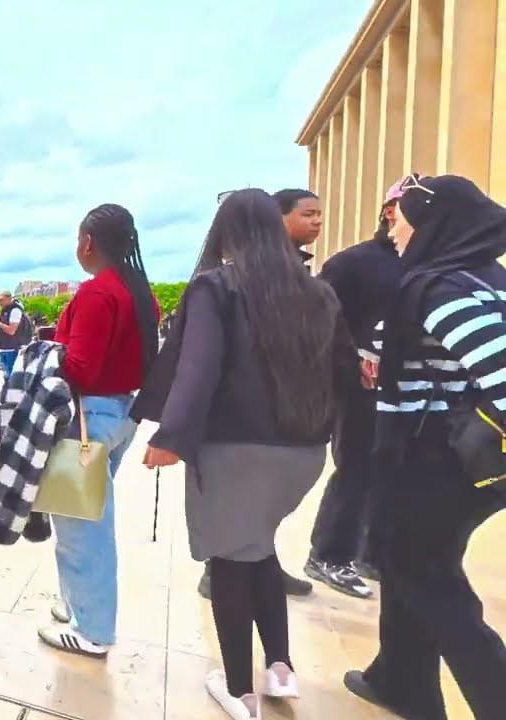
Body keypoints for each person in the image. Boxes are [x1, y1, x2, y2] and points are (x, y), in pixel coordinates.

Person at [138, 189, 356, 719]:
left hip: (236, 452)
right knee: (257, 548)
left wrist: (171, 435)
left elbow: (200, 366)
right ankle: (280, 667)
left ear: (228, 231)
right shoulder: (316, 292)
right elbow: (347, 372)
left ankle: (239, 690)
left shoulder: (218, 286)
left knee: (229, 563)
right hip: (303, 452)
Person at [345, 174, 506, 720]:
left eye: (403, 215)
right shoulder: (480, 278)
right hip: (439, 459)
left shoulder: (445, 288)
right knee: (403, 561)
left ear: (434, 224)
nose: (392, 225)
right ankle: (400, 679)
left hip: (436, 460)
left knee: (427, 578)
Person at [37, 204, 159, 659]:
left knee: (81, 530)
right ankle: (77, 607)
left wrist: (48, 351)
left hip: (85, 419)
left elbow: (80, 370)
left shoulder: (96, 293)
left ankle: (92, 630)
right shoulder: (138, 291)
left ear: (88, 242)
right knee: (81, 520)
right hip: (119, 415)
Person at [193, 189, 321, 601]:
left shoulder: (301, 278)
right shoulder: (233, 282)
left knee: (257, 512)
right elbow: (202, 362)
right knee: (237, 516)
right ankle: (232, 568)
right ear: (277, 220)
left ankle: (257, 561)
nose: (317, 222)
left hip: (287, 420)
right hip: (247, 422)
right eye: (308, 214)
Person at [303, 178, 407, 598]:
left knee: (394, 471)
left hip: (408, 390)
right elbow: (318, 318)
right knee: (356, 468)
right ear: (390, 213)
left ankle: (371, 552)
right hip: (359, 388)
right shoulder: (354, 263)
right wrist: (351, 358)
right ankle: (329, 554)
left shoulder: (422, 263)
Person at [273, 188, 323, 266]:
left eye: (318, 215)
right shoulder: (261, 261)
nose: (318, 221)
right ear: (279, 217)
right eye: (308, 214)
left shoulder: (294, 259)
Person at [0, 290, 31, 380]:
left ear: (8, 298)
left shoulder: (15, 310)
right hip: (3, 348)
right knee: (7, 378)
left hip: (12, 349)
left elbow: (11, 330)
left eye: (1, 300)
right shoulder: (5, 310)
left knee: (12, 378)